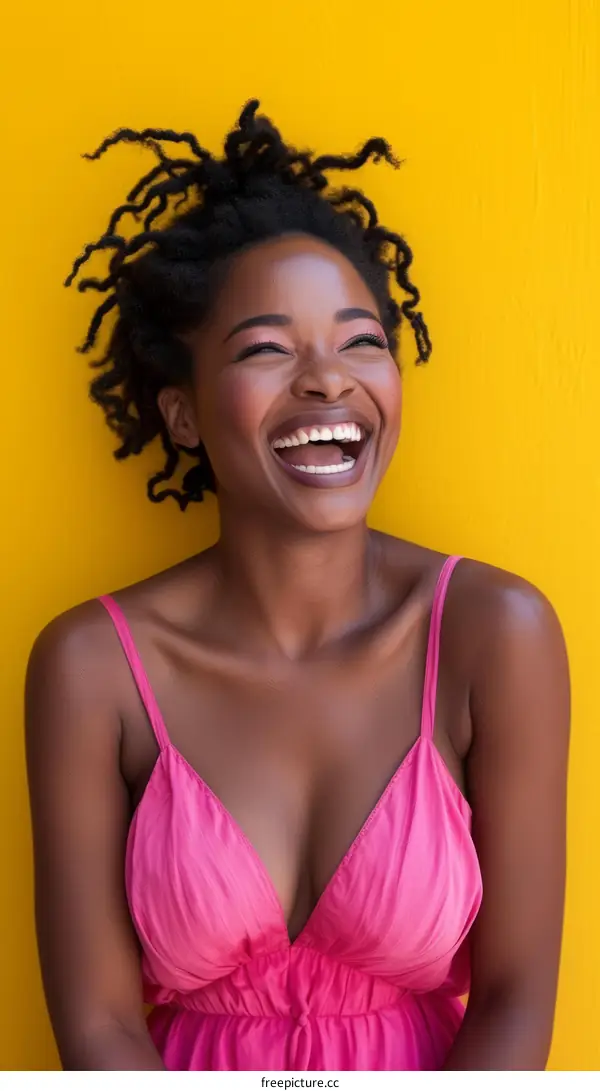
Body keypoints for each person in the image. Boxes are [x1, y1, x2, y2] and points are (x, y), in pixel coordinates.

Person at [25, 101, 570, 1072]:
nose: (327, 380)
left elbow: (519, 998)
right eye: (268, 348)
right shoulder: (90, 664)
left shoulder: (498, 634)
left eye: (361, 341)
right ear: (183, 413)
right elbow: (99, 1026)